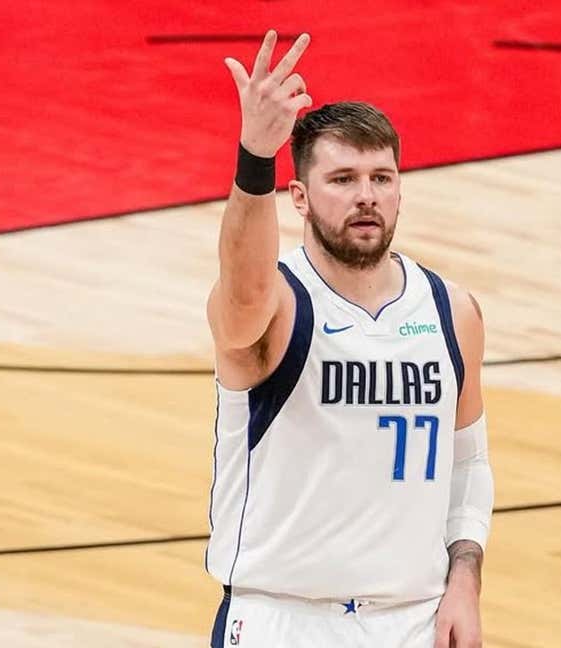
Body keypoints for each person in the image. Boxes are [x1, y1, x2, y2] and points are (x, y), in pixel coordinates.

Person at [204, 30, 494, 648]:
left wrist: (464, 579)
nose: (366, 196)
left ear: (400, 189)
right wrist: (256, 154)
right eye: (342, 179)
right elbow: (243, 293)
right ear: (300, 199)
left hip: (414, 618)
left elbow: (468, 464)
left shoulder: (453, 311)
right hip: (281, 618)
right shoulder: (276, 307)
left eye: (381, 178)